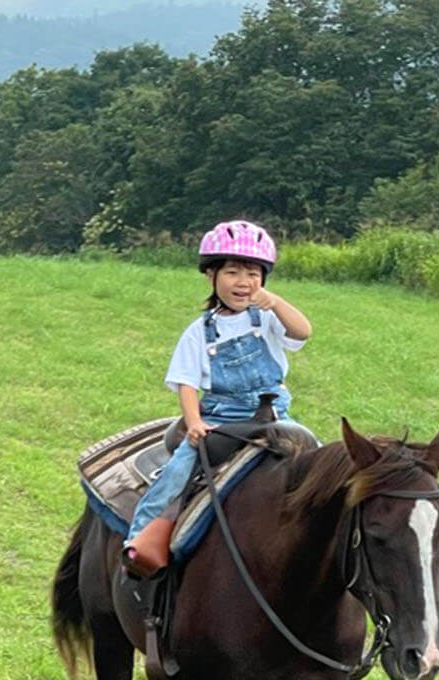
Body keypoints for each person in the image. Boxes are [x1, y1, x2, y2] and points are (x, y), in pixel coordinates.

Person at [122, 220, 312, 570]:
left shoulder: (267, 319)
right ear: (211, 275)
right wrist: (194, 422)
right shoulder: (199, 332)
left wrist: (276, 303)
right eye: (233, 272)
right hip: (221, 419)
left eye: (253, 274)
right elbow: (186, 382)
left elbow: (303, 331)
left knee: (319, 461)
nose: (244, 282)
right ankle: (138, 543)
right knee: (175, 474)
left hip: (273, 416)